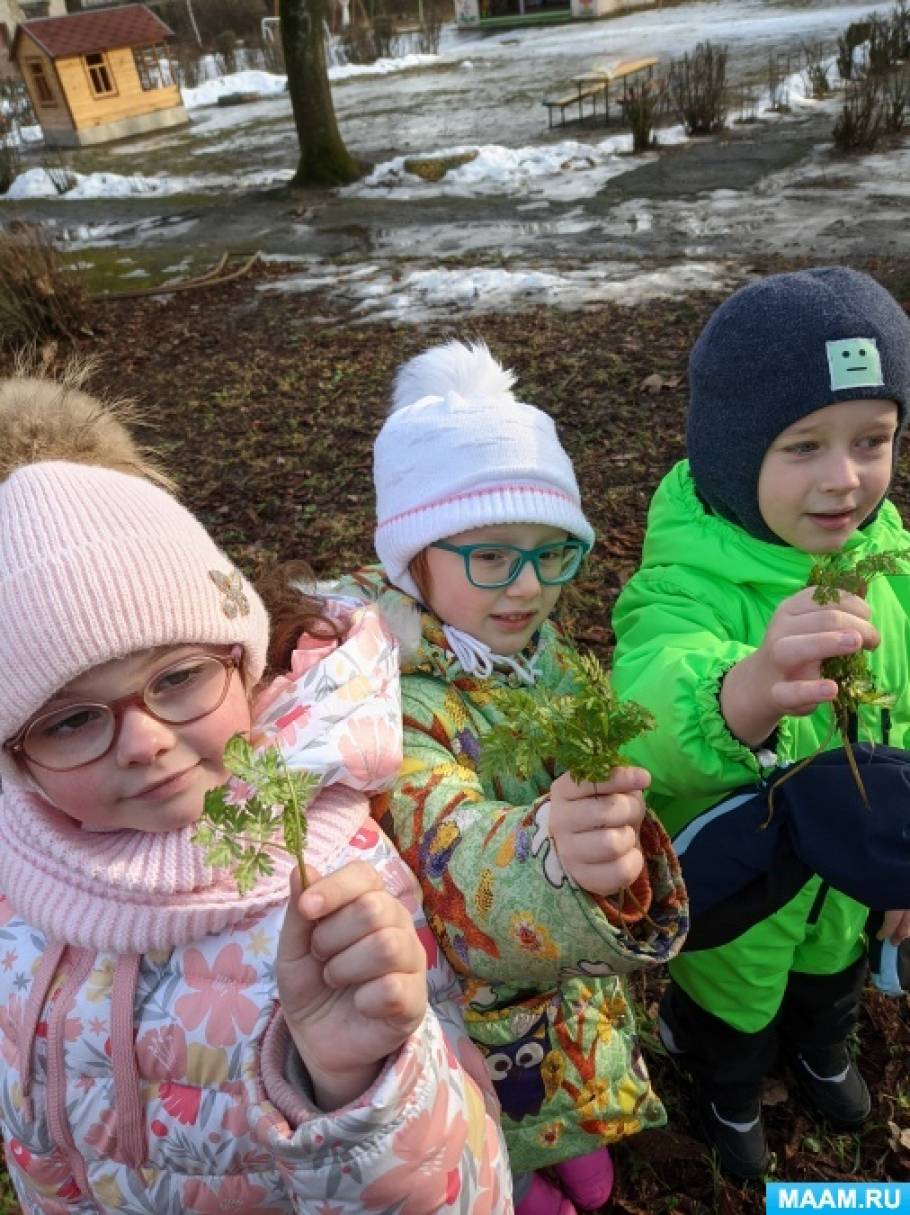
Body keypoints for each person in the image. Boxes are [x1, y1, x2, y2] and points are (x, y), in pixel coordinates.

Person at [0, 368, 511, 1214]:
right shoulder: (21, 866)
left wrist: (353, 1082)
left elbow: (466, 1191)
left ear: (244, 662)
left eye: (179, 677)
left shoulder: (334, 868)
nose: (146, 739)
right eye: (70, 721)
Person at [330, 341, 688, 1215]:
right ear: (415, 557)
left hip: (567, 1002)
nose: (528, 587)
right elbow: (450, 849)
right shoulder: (391, 701)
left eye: (550, 552)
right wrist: (550, 855)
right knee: (505, 1144)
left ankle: (571, 1134)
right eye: (491, 556)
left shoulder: (543, 656)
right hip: (475, 1022)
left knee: (592, 1163)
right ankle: (509, 1167)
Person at [611, 267, 910, 1179]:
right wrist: (737, 692)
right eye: (804, 446)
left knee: (833, 977)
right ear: (734, 453)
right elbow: (647, 701)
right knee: (735, 1000)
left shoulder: (887, 559)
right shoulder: (684, 582)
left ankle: (823, 1051)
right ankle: (727, 1089)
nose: (844, 478)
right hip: (744, 891)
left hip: (850, 886)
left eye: (874, 439)